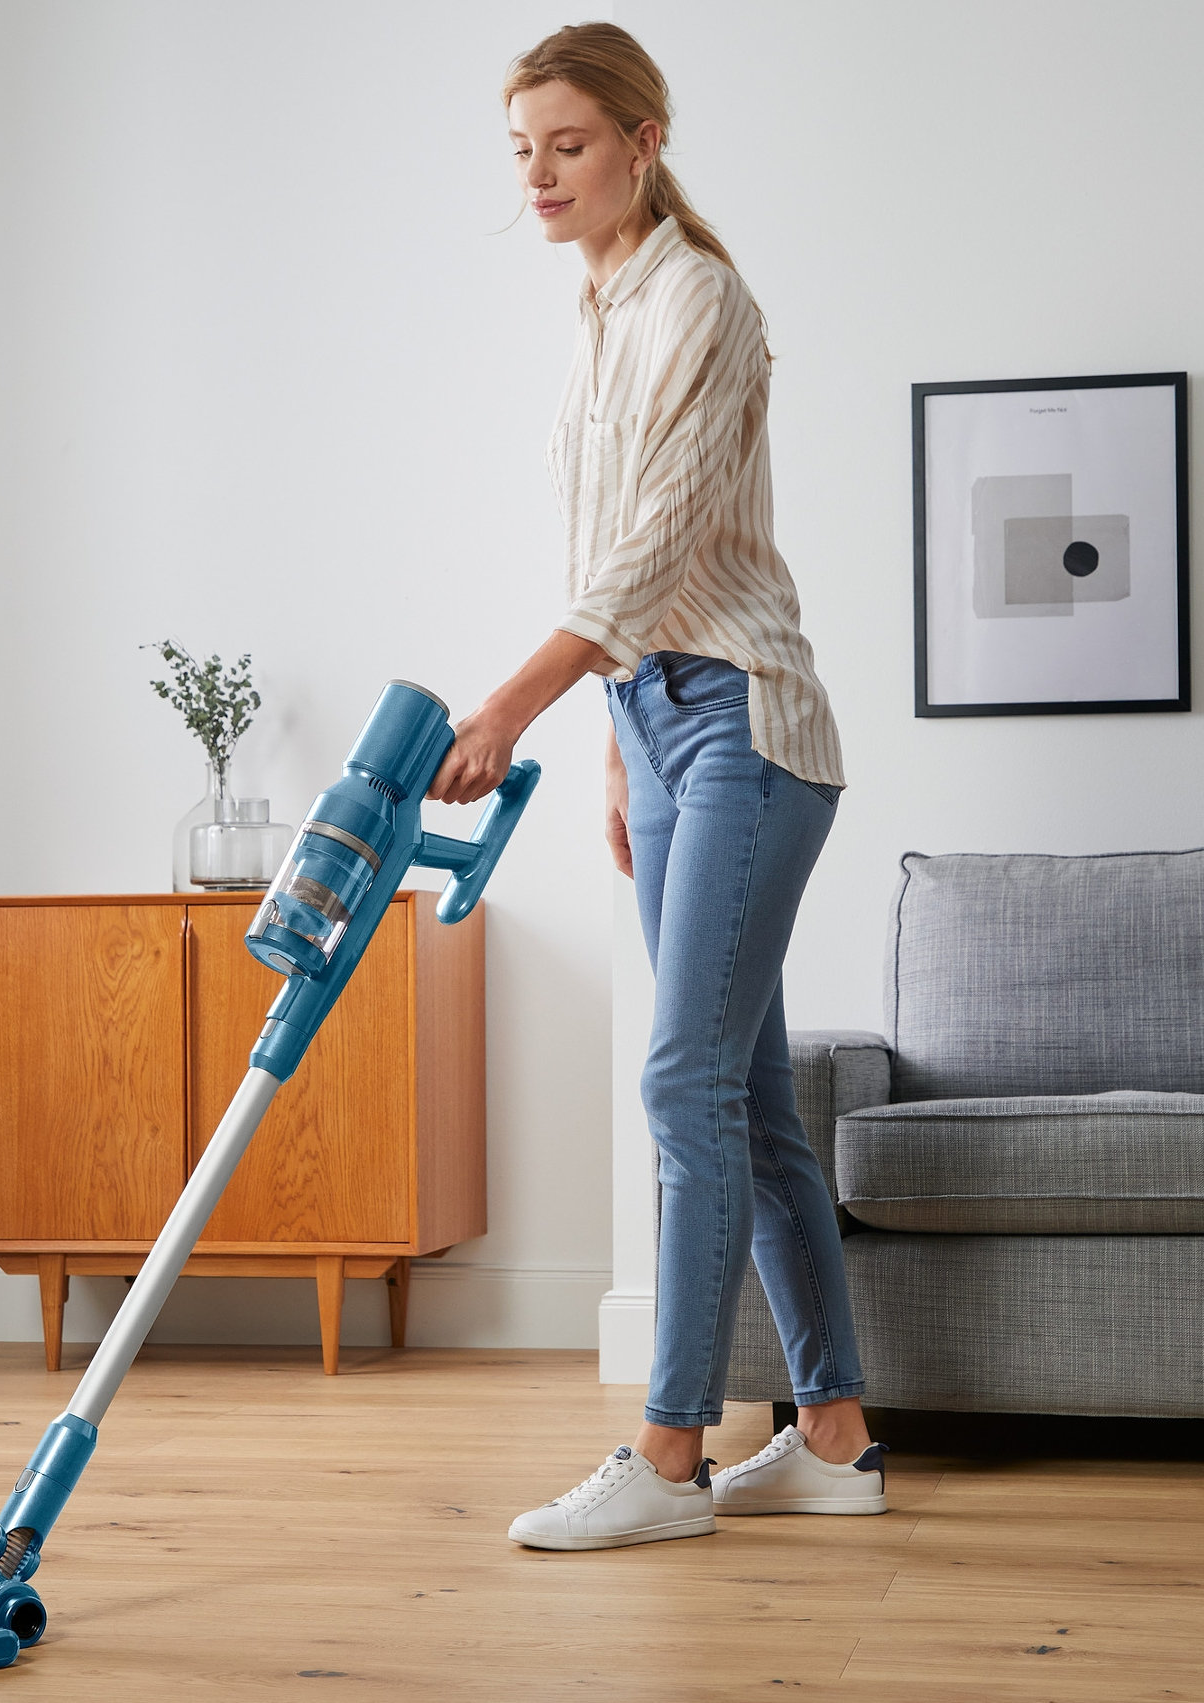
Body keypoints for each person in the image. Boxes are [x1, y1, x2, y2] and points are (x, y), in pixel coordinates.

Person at [427, 22, 886, 1550]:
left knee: (681, 1084)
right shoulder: (603, 311)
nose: (541, 175)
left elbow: (656, 548)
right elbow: (609, 557)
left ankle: (672, 1455)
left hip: (749, 724)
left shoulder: (701, 300)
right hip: (665, 725)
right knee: (749, 1110)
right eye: (522, 151)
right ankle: (832, 1437)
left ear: (641, 137)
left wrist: (515, 703)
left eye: (566, 143)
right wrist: (620, 744)